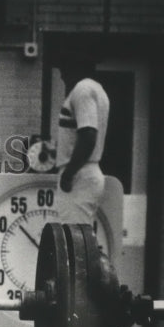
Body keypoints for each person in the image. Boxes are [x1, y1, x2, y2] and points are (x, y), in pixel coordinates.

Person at [53, 50, 110, 225]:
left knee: (73, 241)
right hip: (85, 171)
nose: (62, 75)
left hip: (79, 174)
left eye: (64, 68)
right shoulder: (95, 89)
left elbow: (88, 136)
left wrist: (68, 174)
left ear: (76, 66)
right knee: (79, 241)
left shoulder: (82, 90)